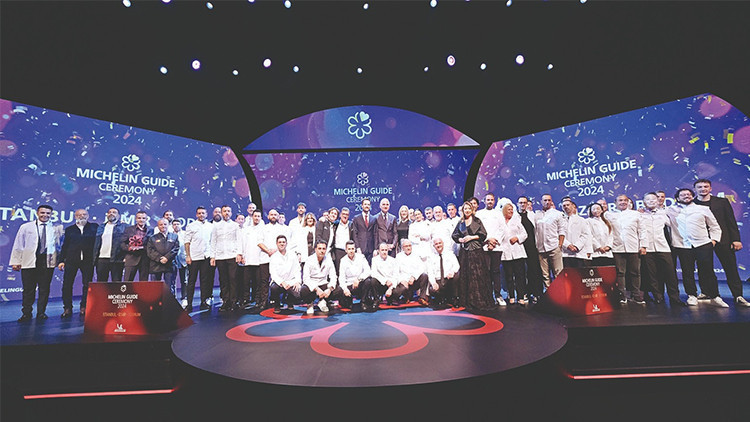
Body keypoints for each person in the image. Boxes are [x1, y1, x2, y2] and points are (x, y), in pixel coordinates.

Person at [693, 179, 749, 307]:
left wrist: (736, 239)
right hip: (702, 241)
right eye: (700, 187)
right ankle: (707, 292)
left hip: (724, 239)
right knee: (704, 268)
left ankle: (738, 295)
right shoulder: (692, 204)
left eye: (706, 186)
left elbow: (731, 221)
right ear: (695, 189)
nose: (703, 189)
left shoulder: (722, 202)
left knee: (730, 267)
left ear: (710, 188)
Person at [666, 188, 725, 307]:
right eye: (683, 195)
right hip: (682, 245)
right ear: (677, 198)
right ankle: (691, 295)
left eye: (688, 194)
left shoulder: (703, 209)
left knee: (708, 271)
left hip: (703, 244)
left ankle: (715, 295)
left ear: (692, 196)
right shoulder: (670, 210)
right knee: (687, 272)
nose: (686, 196)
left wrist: (713, 241)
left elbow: (714, 226)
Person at [10, 205, 63, 322]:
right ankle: (26, 313)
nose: (45, 215)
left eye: (48, 213)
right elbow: (19, 244)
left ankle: (41, 313)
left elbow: (59, 246)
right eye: (42, 213)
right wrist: (16, 261)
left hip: (47, 262)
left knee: (44, 289)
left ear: (51, 214)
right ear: (37, 213)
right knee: (28, 289)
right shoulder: (26, 227)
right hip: (29, 261)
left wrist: (60, 261)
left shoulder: (56, 228)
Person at [640, 192, 686, 306]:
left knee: (670, 274)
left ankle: (675, 298)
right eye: (648, 200)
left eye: (653, 199)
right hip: (647, 248)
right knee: (652, 275)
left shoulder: (664, 213)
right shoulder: (639, 215)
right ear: (644, 202)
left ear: (657, 201)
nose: (651, 201)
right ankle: (658, 297)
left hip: (663, 247)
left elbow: (675, 225)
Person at [452, 201, 497, 312]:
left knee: (478, 275)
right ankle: (468, 301)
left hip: (476, 251)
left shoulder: (477, 220)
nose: (467, 210)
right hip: (465, 252)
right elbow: (454, 235)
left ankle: (479, 300)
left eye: (469, 208)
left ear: (472, 210)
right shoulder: (461, 222)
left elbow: (483, 234)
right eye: (465, 209)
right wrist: (460, 239)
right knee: (466, 276)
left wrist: (471, 237)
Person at [58, 209, 98, 318]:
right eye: (79, 215)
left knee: (87, 285)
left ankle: (84, 306)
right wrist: (61, 260)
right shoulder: (70, 229)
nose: (82, 216)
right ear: (75, 216)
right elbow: (65, 246)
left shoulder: (94, 227)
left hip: (88, 261)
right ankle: (67, 308)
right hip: (71, 260)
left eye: (84, 214)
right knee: (67, 285)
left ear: (88, 216)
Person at [609, 194, 645, 304]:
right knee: (620, 273)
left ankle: (636, 295)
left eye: (625, 200)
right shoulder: (609, 215)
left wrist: (643, 246)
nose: (623, 202)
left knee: (635, 272)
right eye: (620, 200)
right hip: (617, 247)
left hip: (633, 247)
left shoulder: (636, 214)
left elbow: (642, 230)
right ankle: (622, 295)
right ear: (615, 203)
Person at [210, 205, 241, 311]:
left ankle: (234, 301)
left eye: (228, 211)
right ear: (221, 213)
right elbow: (213, 241)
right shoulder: (216, 226)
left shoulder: (235, 225)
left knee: (233, 279)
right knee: (223, 280)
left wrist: (239, 253)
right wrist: (212, 256)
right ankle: (225, 301)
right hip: (220, 256)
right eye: (224, 211)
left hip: (232, 255)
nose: (226, 213)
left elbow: (239, 240)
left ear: (231, 213)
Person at [257, 209, 289, 309]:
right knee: (264, 281)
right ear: (268, 216)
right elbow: (259, 242)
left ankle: (278, 301)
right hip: (265, 257)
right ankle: (264, 301)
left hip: (278, 257)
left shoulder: (282, 228)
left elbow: (284, 242)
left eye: (275, 215)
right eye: (271, 214)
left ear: (278, 216)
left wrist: (275, 250)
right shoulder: (263, 228)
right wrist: (268, 251)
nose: (273, 216)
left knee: (280, 280)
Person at [476, 192, 504, 305]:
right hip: (484, 246)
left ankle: (498, 295)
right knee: (485, 272)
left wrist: (494, 241)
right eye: (488, 200)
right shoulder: (479, 214)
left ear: (494, 201)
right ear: (484, 201)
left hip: (496, 247)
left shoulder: (499, 214)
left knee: (496, 271)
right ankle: (487, 295)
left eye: (492, 200)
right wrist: (488, 240)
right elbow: (478, 230)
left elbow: (502, 229)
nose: (490, 202)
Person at [184, 207, 214, 312]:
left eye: (203, 213)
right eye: (199, 213)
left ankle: (203, 302)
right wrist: (188, 256)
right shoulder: (191, 226)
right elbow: (187, 242)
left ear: (206, 214)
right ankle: (189, 304)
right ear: (196, 215)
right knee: (191, 281)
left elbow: (212, 242)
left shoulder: (211, 226)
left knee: (204, 281)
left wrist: (212, 256)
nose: (201, 215)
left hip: (206, 256)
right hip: (194, 257)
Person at [498, 202, 528, 305]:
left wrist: (517, 238)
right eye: (509, 209)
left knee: (520, 275)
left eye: (512, 209)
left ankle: (521, 296)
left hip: (518, 252)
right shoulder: (501, 222)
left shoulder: (516, 222)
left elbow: (525, 234)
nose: (511, 211)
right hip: (506, 253)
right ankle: (511, 295)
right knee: (508, 276)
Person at [534, 194, 566, 289]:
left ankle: (560, 293)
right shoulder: (536, 215)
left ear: (551, 201)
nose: (547, 202)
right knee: (545, 274)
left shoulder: (557, 214)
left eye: (549, 200)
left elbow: (561, 230)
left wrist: (560, 244)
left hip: (554, 246)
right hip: (541, 248)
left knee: (558, 272)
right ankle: (549, 293)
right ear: (541, 202)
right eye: (545, 200)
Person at [517, 196, 543, 303]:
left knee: (534, 270)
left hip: (532, 246)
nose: (523, 204)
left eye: (524, 203)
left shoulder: (533, 215)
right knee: (521, 272)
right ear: (517, 204)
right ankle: (523, 293)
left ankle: (536, 293)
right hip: (519, 246)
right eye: (521, 203)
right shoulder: (515, 216)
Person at [331, 240, 371, 310]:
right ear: (346, 250)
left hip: (359, 283)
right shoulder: (343, 260)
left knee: (368, 281)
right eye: (349, 249)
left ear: (355, 249)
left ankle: (363, 302)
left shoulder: (361, 257)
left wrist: (359, 279)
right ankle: (347, 301)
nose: (351, 251)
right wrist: (345, 289)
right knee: (339, 292)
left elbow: (368, 271)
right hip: (349, 285)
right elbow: (341, 277)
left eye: (352, 249)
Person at [301, 241, 337, 315]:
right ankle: (310, 304)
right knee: (303, 290)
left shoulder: (329, 260)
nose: (322, 251)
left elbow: (333, 276)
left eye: (324, 249)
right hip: (313, 284)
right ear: (315, 249)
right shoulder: (309, 260)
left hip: (323, 283)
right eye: (319, 248)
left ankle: (323, 301)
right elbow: (306, 278)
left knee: (339, 290)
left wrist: (329, 289)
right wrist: (316, 289)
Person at [422, 237, 459, 308]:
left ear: (443, 244)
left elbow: (456, 265)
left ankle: (455, 299)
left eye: (440, 243)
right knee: (432, 290)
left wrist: (452, 272)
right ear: (434, 246)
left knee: (456, 276)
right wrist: (433, 283)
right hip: (438, 280)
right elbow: (430, 272)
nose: (438, 245)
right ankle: (440, 298)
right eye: (436, 244)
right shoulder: (431, 257)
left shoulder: (450, 254)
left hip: (448, 279)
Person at [268, 235, 302, 313]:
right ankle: (277, 305)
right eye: (280, 242)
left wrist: (297, 281)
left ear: (286, 243)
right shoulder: (273, 257)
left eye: (283, 242)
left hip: (291, 281)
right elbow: (273, 274)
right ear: (276, 244)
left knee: (299, 293)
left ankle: (290, 301)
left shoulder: (293, 255)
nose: (282, 244)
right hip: (280, 283)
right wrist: (282, 282)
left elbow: (297, 269)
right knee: (274, 288)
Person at [93, 207, 127, 284]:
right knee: (101, 283)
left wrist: (125, 256)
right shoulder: (101, 227)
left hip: (117, 259)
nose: (111, 213)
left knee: (116, 282)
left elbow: (126, 242)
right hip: (102, 258)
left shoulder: (124, 227)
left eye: (114, 212)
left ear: (119, 215)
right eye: (109, 212)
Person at [238, 209, 264, 308]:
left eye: (258, 216)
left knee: (258, 282)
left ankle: (257, 300)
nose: (257, 218)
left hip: (259, 259)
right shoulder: (246, 229)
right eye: (255, 216)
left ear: (261, 218)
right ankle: (246, 299)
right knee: (246, 281)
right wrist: (241, 255)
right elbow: (241, 243)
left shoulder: (263, 229)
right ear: (252, 217)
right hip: (248, 259)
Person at [146, 218, 179, 293]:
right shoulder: (152, 238)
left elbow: (176, 249)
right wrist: (160, 258)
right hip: (156, 265)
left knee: (169, 287)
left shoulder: (174, 236)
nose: (163, 226)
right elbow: (150, 251)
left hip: (169, 265)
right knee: (155, 287)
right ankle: (155, 300)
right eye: (161, 224)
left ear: (168, 225)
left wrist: (167, 258)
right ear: (158, 226)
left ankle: (169, 300)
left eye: (165, 224)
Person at [392, 239, 429, 305]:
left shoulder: (416, 255)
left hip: (414, 281)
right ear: (403, 248)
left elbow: (421, 268)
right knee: (399, 291)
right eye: (406, 246)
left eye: (409, 246)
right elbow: (395, 272)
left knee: (424, 275)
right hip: (404, 282)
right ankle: (406, 297)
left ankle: (422, 298)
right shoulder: (398, 256)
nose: (408, 248)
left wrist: (413, 277)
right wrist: (402, 280)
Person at [561, 198, 593, 268]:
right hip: (564, 253)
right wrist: (567, 245)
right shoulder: (559, 220)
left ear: (573, 206)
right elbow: (558, 234)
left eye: (568, 205)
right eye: (564, 206)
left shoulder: (581, 220)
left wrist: (576, 246)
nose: (566, 207)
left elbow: (585, 234)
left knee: (579, 273)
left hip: (578, 253)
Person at [367, 242, 399, 310]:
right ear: (378, 251)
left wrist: (390, 288)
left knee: (400, 289)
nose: (384, 252)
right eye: (382, 250)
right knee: (373, 281)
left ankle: (391, 298)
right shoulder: (374, 260)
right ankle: (376, 300)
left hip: (391, 284)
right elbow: (373, 273)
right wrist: (385, 281)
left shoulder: (393, 260)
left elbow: (396, 275)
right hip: (381, 283)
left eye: (386, 250)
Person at [122, 211, 151, 281]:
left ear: (146, 219)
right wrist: (129, 248)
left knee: (143, 283)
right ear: (136, 219)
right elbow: (122, 243)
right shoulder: (129, 229)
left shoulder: (151, 230)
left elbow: (152, 245)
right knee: (127, 282)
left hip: (145, 259)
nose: (141, 220)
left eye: (143, 218)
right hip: (131, 258)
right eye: (139, 218)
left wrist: (142, 247)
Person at [586, 202, 614, 267]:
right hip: (595, 253)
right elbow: (590, 236)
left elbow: (610, 235)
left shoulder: (606, 222)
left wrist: (608, 246)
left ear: (602, 210)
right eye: (594, 209)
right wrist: (598, 247)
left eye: (598, 209)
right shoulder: (588, 221)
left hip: (607, 253)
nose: (596, 211)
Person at [352, 198, 376, 264]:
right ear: (362, 206)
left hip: (371, 249)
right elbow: (355, 234)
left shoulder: (373, 219)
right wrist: (357, 247)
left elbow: (375, 234)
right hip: (360, 248)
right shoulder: (356, 218)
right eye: (365, 204)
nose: (367, 206)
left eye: (368, 204)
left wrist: (375, 249)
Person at [170, 220, 189, 306]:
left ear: (181, 225)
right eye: (174, 224)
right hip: (173, 260)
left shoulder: (185, 234)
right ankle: (172, 297)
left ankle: (184, 297)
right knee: (172, 280)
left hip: (183, 259)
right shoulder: (170, 235)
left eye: (178, 224)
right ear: (172, 226)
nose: (176, 226)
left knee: (184, 280)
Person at [331, 207, 353, 274]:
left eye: (346, 214)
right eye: (343, 214)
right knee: (338, 271)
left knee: (349, 271)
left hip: (348, 251)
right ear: (340, 215)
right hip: (338, 251)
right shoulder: (335, 224)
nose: (345, 216)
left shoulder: (351, 225)